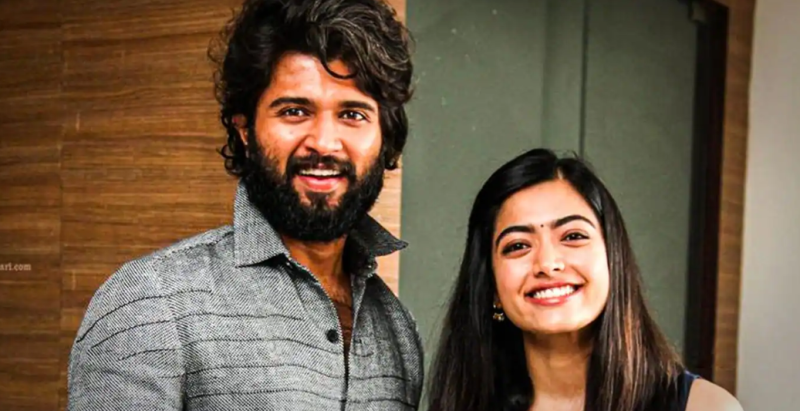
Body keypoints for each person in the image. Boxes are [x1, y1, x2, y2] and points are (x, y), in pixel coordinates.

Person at [67, 0, 422, 409]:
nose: (324, 143)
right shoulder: (150, 304)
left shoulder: (398, 331)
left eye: (353, 114)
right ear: (245, 131)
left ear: (385, 138)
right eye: (294, 111)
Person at [426, 148, 742, 411]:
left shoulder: (705, 407)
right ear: (492, 285)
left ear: (614, 259)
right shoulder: (462, 403)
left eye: (573, 236)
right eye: (518, 245)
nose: (548, 264)